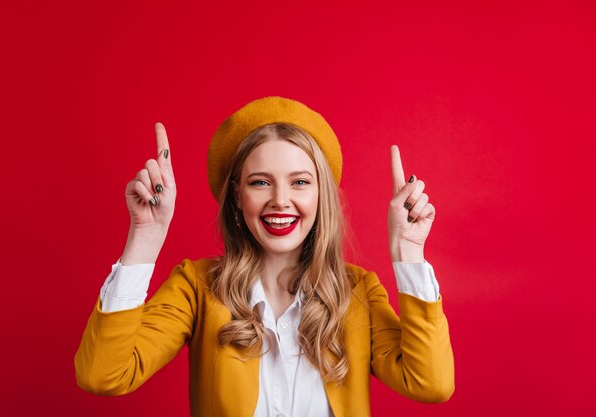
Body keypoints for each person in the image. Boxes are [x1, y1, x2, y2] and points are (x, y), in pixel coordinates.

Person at [74, 96, 455, 417]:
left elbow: (430, 384)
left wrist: (408, 251)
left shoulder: (358, 293)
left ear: (320, 196)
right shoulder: (196, 287)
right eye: (260, 182)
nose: (280, 200)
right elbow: (103, 374)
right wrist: (146, 235)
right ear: (238, 197)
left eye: (300, 182)